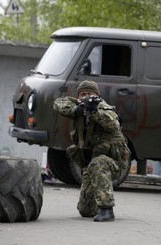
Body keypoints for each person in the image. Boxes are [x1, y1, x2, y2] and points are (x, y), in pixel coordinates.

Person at [53, 80, 130, 222]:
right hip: (92, 166)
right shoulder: (79, 107)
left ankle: (107, 209)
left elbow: (113, 124)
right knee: (85, 210)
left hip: (114, 163)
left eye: (90, 94)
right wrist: (77, 110)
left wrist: (94, 111)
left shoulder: (105, 109)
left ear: (97, 96)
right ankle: (96, 204)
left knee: (98, 162)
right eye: (83, 94)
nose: (86, 96)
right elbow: (58, 103)